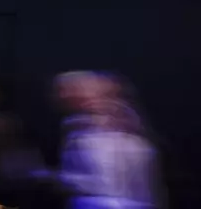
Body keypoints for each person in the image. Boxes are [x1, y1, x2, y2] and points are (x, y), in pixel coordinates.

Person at [53, 71, 164, 209]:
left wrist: (55, 178)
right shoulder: (80, 130)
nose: (63, 95)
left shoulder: (126, 135)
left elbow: (105, 182)